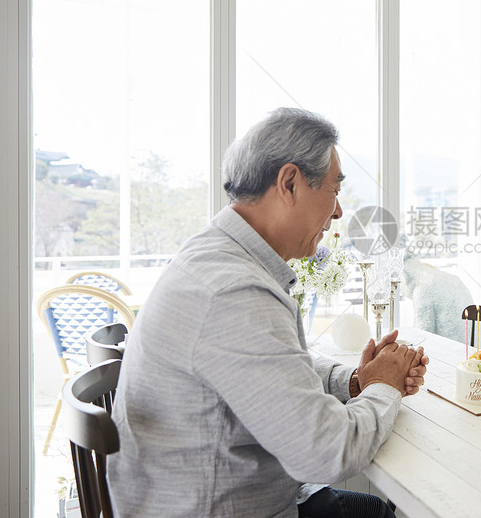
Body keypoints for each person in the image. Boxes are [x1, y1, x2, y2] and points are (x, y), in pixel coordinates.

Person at [109, 108, 428, 517]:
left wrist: (354, 381)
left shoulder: (215, 256)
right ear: (290, 183)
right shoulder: (233, 290)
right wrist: (385, 386)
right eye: (334, 190)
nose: (338, 212)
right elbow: (329, 454)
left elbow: (273, 365)